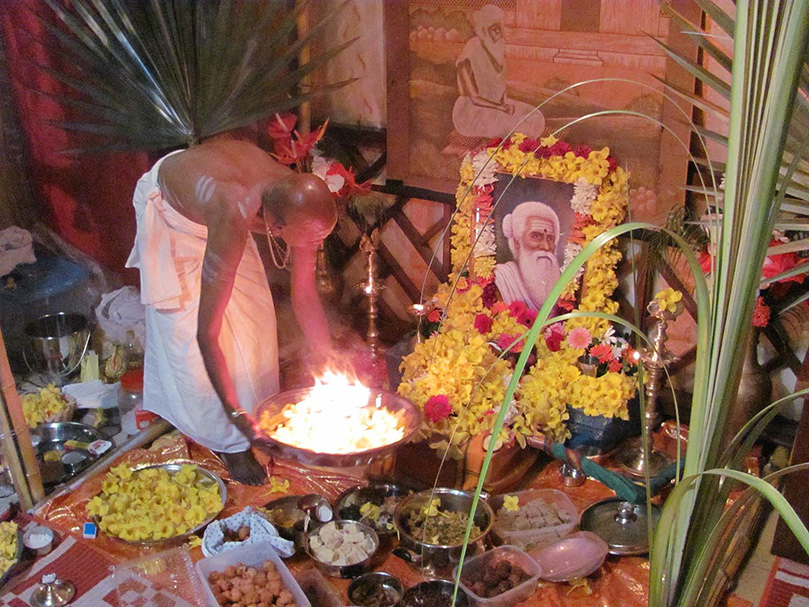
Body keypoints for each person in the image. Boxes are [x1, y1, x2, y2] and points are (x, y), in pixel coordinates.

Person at [126, 136, 337, 485]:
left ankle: (256, 422)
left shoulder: (297, 202)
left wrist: (327, 362)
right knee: (189, 343)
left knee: (254, 327)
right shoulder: (234, 209)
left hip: (220, 196)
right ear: (277, 228)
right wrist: (233, 410)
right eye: (310, 241)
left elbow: (304, 292)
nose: (315, 247)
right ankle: (230, 445)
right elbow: (204, 333)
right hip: (175, 213)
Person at [452, 4, 546, 139]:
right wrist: (501, 108)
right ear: (483, 30)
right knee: (506, 127)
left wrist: (505, 105)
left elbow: (501, 88)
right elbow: (474, 98)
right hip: (470, 113)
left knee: (534, 116)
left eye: (501, 28)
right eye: (495, 29)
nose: (500, 34)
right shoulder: (470, 54)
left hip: (495, 106)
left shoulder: (497, 49)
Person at [495, 201, 561, 310]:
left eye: (550, 239)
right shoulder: (502, 278)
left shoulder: (563, 283)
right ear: (517, 242)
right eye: (536, 236)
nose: (546, 246)